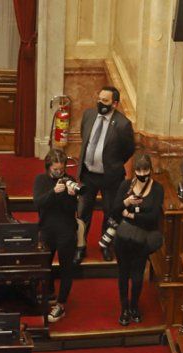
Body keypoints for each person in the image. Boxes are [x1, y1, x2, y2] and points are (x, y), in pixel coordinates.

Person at [76, 86, 135, 263]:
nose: (100, 102)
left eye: (105, 100)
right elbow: (84, 138)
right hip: (88, 174)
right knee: (83, 212)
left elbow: (128, 150)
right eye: (99, 98)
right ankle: (80, 246)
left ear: (114, 104)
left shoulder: (123, 124)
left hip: (110, 177)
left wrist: (112, 164)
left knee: (110, 212)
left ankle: (105, 245)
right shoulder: (88, 115)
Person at [110, 153, 163, 325]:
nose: (142, 173)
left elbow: (154, 217)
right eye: (139, 170)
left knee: (138, 276)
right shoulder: (126, 186)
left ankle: (134, 306)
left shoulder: (157, 189)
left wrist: (131, 215)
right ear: (134, 171)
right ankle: (124, 308)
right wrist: (127, 202)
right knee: (123, 274)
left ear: (151, 170)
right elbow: (115, 210)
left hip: (143, 239)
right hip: (124, 239)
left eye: (145, 169)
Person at [34, 149, 80, 323]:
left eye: (62, 170)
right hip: (46, 229)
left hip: (66, 231)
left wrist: (70, 197)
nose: (59, 173)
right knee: (45, 264)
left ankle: (61, 304)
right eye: (55, 170)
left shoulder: (70, 181)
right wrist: (54, 192)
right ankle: (48, 293)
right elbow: (38, 203)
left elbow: (71, 210)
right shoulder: (41, 180)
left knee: (66, 268)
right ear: (48, 167)